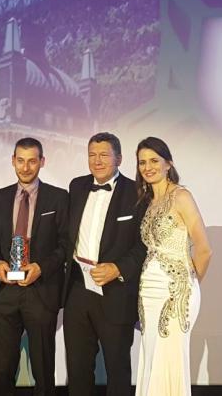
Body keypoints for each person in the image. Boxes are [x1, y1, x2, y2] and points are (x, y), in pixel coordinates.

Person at [63, 132, 146, 396]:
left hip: (116, 293)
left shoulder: (137, 192)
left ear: (119, 159)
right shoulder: (76, 186)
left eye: (104, 155)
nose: (97, 161)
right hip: (77, 290)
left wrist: (118, 269)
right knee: (77, 368)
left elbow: (144, 244)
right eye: (92, 155)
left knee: (117, 369)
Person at [0, 137, 69, 395]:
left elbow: (66, 244)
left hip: (40, 290)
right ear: (12, 161)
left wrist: (41, 268)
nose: (26, 167)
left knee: (43, 368)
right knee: (1, 369)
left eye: (32, 161)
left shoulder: (58, 197)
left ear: (42, 162)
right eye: (20, 160)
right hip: (4, 291)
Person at [133, 137, 211, 396]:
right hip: (148, 293)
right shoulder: (147, 201)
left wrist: (187, 285)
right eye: (143, 162)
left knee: (170, 360)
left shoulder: (181, 196)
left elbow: (204, 249)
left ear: (169, 164)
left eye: (154, 160)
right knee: (152, 356)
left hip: (176, 293)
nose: (148, 167)